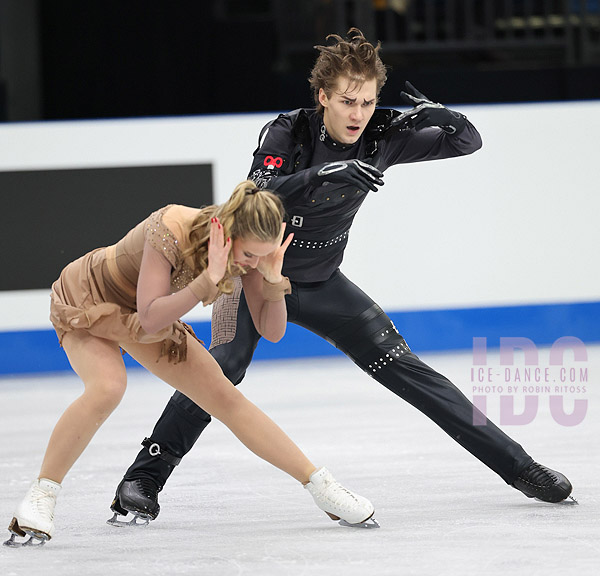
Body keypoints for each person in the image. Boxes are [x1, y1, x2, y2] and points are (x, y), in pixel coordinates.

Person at [111, 27, 573, 524]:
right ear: (323, 97)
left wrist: (448, 116)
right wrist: (321, 175)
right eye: (348, 102)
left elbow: (466, 143)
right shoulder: (289, 130)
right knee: (220, 370)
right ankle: (142, 478)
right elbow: (256, 189)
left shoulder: (381, 134)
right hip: (251, 278)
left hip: (324, 282)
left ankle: (521, 468)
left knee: (410, 370)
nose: (358, 114)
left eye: (368, 103)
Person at [4, 181, 378, 547]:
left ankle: (320, 486)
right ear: (226, 232)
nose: (253, 263)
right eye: (250, 256)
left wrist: (274, 280)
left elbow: (272, 330)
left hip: (149, 313)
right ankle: (41, 496)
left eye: (262, 255)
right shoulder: (171, 226)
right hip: (89, 297)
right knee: (108, 387)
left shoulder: (249, 255)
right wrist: (209, 279)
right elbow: (150, 319)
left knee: (224, 397)